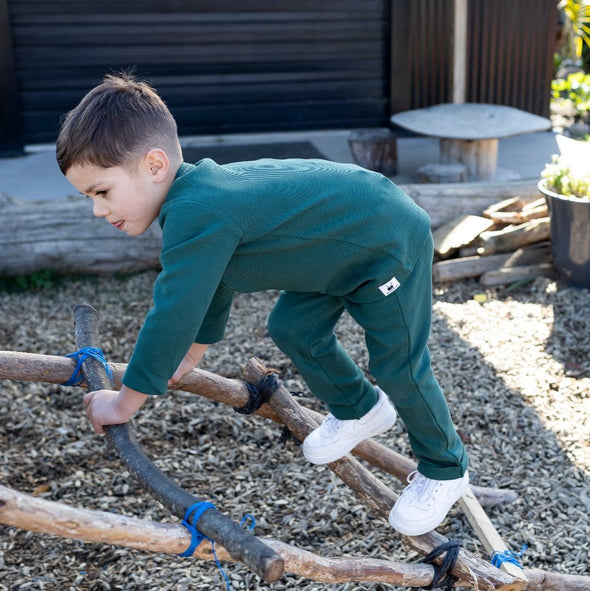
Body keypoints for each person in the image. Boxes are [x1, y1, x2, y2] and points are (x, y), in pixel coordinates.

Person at [56, 73, 469, 536]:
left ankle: (446, 468)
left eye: (102, 192)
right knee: (293, 325)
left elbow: (171, 311)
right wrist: (193, 353)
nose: (96, 209)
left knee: (400, 366)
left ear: (154, 165)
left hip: (383, 242)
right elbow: (210, 285)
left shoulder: (197, 210)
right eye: (89, 196)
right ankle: (360, 408)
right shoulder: (191, 205)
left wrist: (124, 402)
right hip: (336, 250)